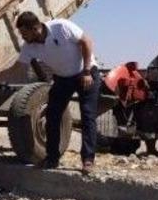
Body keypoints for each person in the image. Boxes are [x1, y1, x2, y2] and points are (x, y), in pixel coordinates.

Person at [15, 11, 100, 174]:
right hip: (63, 79)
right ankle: (52, 158)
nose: (23, 37)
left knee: (88, 116)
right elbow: (17, 69)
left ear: (35, 28)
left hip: (85, 73)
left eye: (24, 33)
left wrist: (87, 71)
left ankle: (88, 160)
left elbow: (86, 41)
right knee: (52, 115)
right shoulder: (29, 47)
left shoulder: (61, 26)